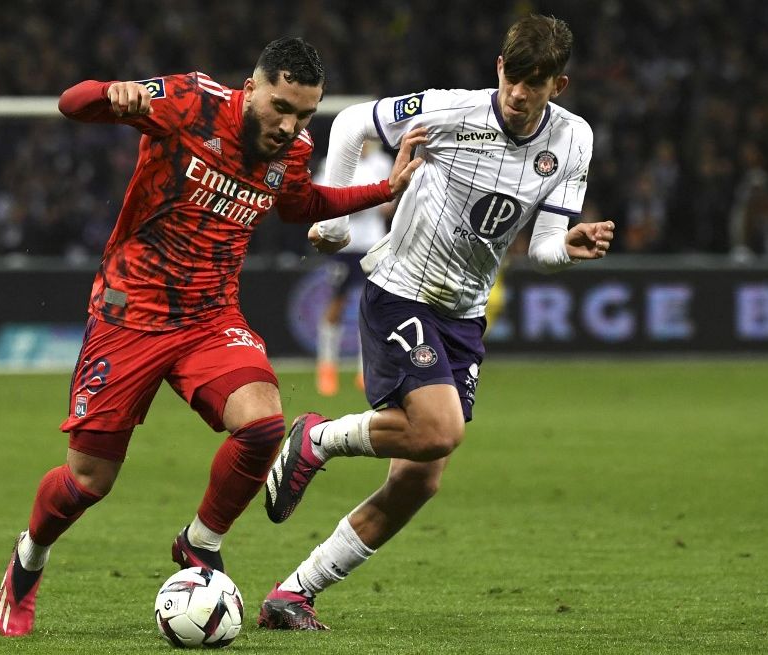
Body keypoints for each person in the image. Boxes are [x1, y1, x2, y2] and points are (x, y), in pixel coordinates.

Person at [0, 37, 427, 637]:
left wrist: (385, 189)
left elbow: (298, 203)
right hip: (131, 313)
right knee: (89, 481)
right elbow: (72, 104)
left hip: (210, 318)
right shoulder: (190, 101)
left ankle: (200, 543)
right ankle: (29, 557)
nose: (290, 125)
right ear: (251, 88)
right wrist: (109, 94)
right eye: (280, 106)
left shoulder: (293, 150)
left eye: (303, 114)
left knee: (264, 426)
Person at [258, 15, 616, 630]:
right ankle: (316, 439)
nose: (518, 93)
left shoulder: (573, 140)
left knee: (419, 480)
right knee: (440, 429)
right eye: (512, 76)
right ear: (499, 67)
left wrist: (567, 249)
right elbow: (348, 124)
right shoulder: (452, 111)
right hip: (401, 288)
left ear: (558, 85)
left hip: (463, 311)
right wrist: (339, 225)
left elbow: (548, 245)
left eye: (535, 82)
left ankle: (293, 593)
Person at [313, 142, 394, 396]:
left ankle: (365, 369)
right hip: (343, 244)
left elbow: (390, 203)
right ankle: (327, 366)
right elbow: (321, 198)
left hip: (373, 243)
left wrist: (365, 203)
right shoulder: (335, 159)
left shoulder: (382, 163)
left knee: (370, 305)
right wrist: (356, 203)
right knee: (337, 303)